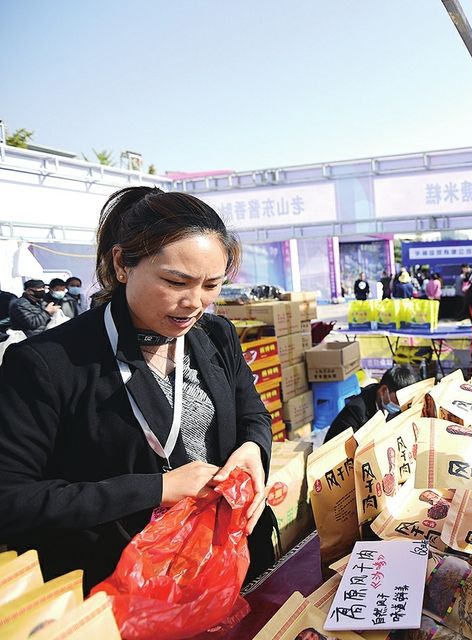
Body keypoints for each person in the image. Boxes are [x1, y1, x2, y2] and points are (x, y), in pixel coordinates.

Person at [0, 186, 277, 593]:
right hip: (125, 585)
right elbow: (11, 500)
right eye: (175, 281)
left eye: (211, 285)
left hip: (228, 559)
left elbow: (252, 413)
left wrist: (253, 447)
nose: (194, 303)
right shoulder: (47, 363)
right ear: (122, 264)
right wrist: (157, 489)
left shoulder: (215, 335)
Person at [327, 365, 420, 440]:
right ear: (383, 390)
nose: (401, 404)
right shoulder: (355, 412)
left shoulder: (400, 408)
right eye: (398, 399)